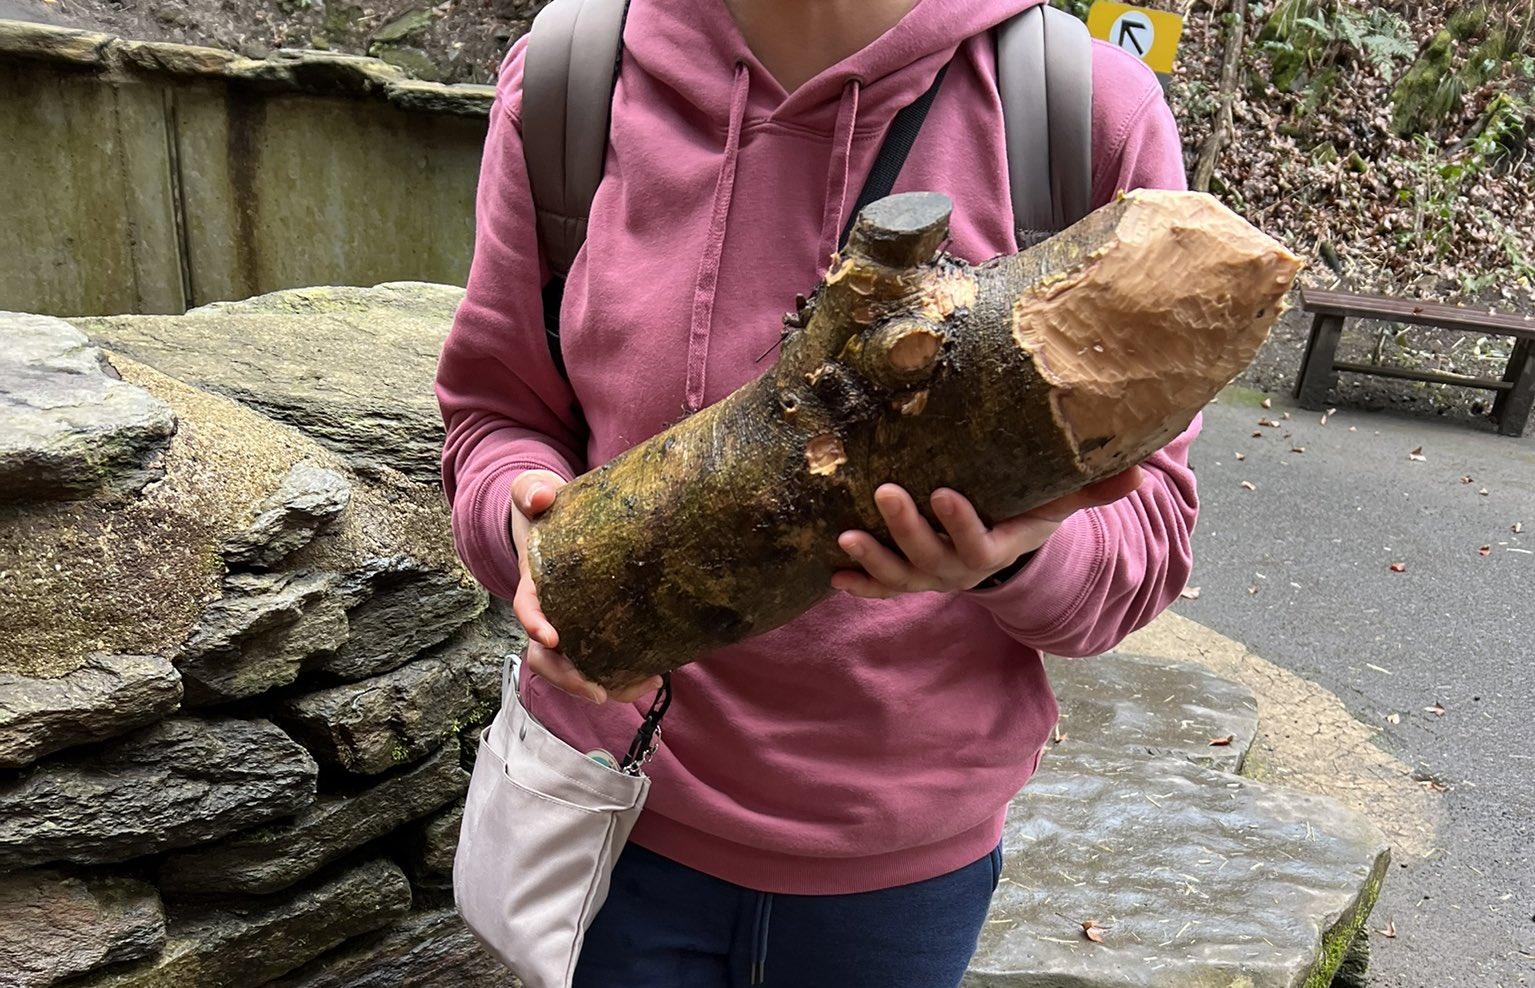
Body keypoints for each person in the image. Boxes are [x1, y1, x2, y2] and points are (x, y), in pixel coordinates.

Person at [435, 0, 1197, 983]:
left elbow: (1148, 538)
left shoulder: (1076, 115)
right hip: (603, 819)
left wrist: (1017, 551)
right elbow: (492, 416)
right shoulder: (573, 82)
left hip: (897, 885)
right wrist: (527, 524)